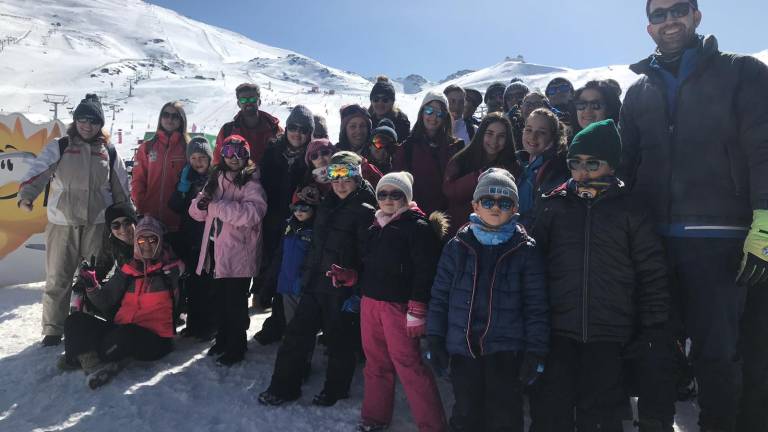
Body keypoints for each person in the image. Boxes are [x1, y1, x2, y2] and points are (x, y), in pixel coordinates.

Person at [620, 1, 768, 430]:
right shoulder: (638, 91)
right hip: (655, 243)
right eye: (659, 14)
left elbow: (763, 146)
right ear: (649, 27)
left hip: (720, 240)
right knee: (656, 349)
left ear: (697, 16)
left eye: (679, 10)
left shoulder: (742, 72)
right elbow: (628, 167)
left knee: (717, 355)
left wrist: (765, 219)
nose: (670, 21)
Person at [530, 120, 670, 432]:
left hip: (610, 333)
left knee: (602, 416)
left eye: (592, 164)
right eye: (574, 163)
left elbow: (651, 272)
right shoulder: (555, 205)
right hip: (558, 330)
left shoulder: (630, 209)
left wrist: (653, 328)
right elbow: (535, 265)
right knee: (551, 412)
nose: (582, 172)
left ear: (611, 165)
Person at [428, 168, 549, 432]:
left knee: (504, 416)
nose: (495, 207)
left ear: (515, 207)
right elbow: (439, 297)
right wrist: (435, 338)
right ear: (475, 205)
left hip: (505, 353)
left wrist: (535, 350)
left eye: (504, 202)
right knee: (467, 412)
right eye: (488, 201)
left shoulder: (524, 250)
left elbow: (536, 307)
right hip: (464, 348)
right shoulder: (457, 246)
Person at [259, 151, 376, 407]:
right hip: (315, 282)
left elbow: (369, 255)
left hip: (342, 288)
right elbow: (316, 245)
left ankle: (335, 389)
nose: (340, 182)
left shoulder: (366, 210)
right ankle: (283, 386)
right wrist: (306, 274)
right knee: (296, 335)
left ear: (357, 176)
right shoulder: (327, 202)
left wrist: (358, 289)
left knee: (338, 341)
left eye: (347, 176)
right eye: (335, 176)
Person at [17, 93, 130, 346]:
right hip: (62, 223)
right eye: (82, 119)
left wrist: (128, 215)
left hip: (97, 224)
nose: (86, 125)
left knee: (94, 278)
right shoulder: (60, 146)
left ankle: (88, 323)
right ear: (75, 120)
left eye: (92, 120)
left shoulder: (109, 152)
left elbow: (121, 188)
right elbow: (38, 173)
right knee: (58, 277)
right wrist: (27, 196)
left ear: (100, 124)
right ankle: (53, 329)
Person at [357, 172, 448, 432]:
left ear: (406, 197)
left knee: (408, 364)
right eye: (382, 194)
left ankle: (432, 425)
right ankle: (375, 417)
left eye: (395, 194)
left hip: (399, 307)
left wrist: (418, 307)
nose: (388, 199)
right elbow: (369, 264)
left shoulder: (416, 227)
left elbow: (425, 271)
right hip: (370, 302)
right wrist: (352, 277)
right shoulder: (375, 226)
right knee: (375, 362)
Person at [59, 216, 182, 389]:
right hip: (123, 328)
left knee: (125, 335)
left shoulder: (171, 269)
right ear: (136, 242)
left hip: (155, 339)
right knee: (75, 320)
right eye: (141, 239)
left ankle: (86, 354)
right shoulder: (129, 270)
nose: (147, 244)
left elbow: (181, 271)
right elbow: (105, 300)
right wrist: (91, 285)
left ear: (160, 241)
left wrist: (175, 271)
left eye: (152, 239)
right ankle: (93, 360)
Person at [189, 135, 268, 366]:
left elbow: (253, 214)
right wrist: (200, 203)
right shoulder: (216, 177)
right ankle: (222, 338)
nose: (234, 158)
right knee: (220, 299)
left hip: (239, 253)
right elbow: (197, 213)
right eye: (229, 152)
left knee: (235, 302)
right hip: (217, 249)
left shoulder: (251, 182)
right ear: (222, 154)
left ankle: (236, 345)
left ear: (247, 156)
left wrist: (216, 206)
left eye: (240, 153)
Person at [168, 136, 216, 340]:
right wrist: (182, 188)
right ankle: (194, 323)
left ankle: (208, 325)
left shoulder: (216, 179)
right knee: (192, 284)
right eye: (194, 157)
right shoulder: (186, 177)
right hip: (189, 236)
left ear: (209, 158)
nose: (198, 162)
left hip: (209, 240)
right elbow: (175, 207)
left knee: (207, 285)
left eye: (202, 157)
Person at [443, 113, 518, 236]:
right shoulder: (461, 159)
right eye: (489, 134)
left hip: (498, 234)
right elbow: (450, 191)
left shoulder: (513, 166)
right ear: (481, 133)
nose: (494, 141)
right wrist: (479, 175)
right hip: (461, 232)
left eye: (501, 136)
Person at [392, 91, 463, 214]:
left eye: (439, 113)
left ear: (445, 117)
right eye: (429, 111)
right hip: (415, 216)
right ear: (422, 112)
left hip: (448, 216)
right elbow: (398, 185)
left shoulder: (455, 147)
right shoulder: (407, 148)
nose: (434, 118)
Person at [131, 101, 190, 237]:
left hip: (178, 218)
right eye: (166, 114)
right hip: (150, 218)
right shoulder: (147, 147)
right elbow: (138, 180)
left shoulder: (187, 148)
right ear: (160, 117)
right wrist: (141, 206)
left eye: (175, 116)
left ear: (181, 120)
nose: (170, 119)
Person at [515, 108, 569, 227]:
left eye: (542, 132)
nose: (533, 137)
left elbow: (541, 216)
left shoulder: (555, 171)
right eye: (529, 130)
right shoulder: (519, 162)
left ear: (553, 137)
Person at [212, 83, 282, 165]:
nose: (248, 103)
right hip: (238, 177)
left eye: (252, 99)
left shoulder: (274, 129)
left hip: (268, 177)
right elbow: (217, 161)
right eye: (243, 100)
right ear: (238, 104)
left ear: (259, 101)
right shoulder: (228, 130)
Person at [337, 104, 384, 186]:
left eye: (362, 126)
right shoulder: (334, 152)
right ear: (345, 130)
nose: (358, 131)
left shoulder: (377, 149)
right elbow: (328, 176)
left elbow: (385, 180)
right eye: (352, 126)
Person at [368, 76, 411, 144]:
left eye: (385, 100)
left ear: (392, 102)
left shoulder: (401, 121)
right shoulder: (367, 121)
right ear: (371, 101)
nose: (380, 103)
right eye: (376, 100)